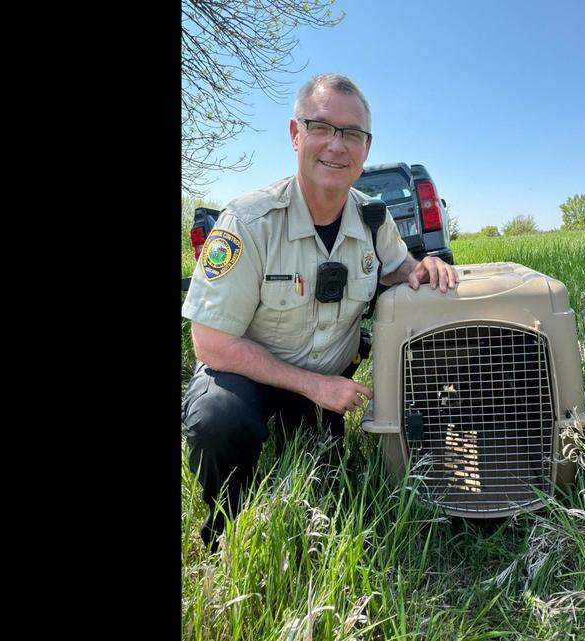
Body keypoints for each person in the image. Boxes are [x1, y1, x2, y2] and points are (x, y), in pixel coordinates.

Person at [181, 73, 459, 551]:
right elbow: (209, 342)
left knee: (323, 471)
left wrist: (424, 267)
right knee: (217, 420)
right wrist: (317, 387)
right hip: (249, 375)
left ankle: (299, 432)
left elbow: (396, 268)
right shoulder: (247, 222)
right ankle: (224, 532)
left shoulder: (374, 218)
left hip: (327, 380)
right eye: (322, 127)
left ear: (366, 148)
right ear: (296, 135)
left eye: (352, 134)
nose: (337, 145)